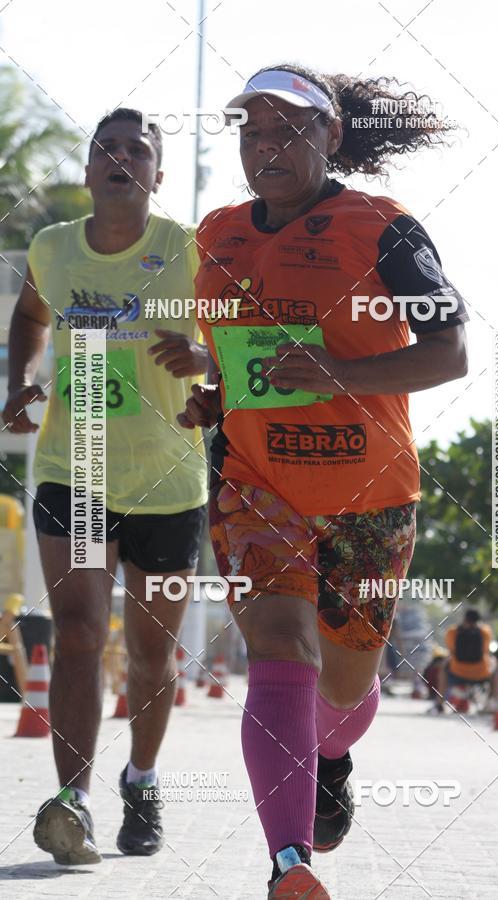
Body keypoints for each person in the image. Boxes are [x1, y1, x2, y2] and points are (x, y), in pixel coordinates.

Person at [180, 65, 469, 899]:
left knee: (341, 690)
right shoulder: (219, 236)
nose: (266, 147)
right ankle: (290, 864)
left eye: (289, 130)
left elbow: (450, 353)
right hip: (254, 486)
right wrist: (214, 391)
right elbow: (244, 361)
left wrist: (341, 373)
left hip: (368, 496)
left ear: (330, 136)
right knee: (279, 647)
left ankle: (332, 754)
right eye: (251, 132)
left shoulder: (383, 229)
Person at [2, 108, 208, 865]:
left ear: (157, 174)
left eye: (138, 149)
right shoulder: (52, 248)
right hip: (74, 467)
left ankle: (143, 780)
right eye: (106, 148)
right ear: (89, 173)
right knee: (82, 635)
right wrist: (22, 378)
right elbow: (30, 315)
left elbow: (240, 336)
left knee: (153, 656)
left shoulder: (191, 250)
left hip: (166, 479)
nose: (121, 157)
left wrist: (207, 365)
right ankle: (75, 803)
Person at [441, 609, 494, 707]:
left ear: (464, 619)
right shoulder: (485, 632)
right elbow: (485, 650)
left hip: (457, 672)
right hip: (480, 673)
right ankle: (491, 702)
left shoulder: (452, 631)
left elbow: (451, 650)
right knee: (496, 669)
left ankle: (439, 702)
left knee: (444, 666)